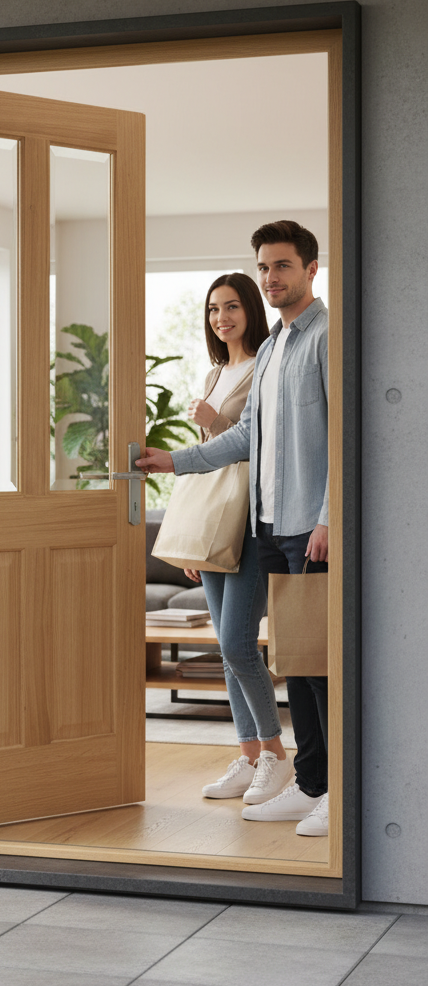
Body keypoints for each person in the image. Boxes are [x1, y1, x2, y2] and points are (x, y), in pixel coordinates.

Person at [137, 221, 329, 838]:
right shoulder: (274, 348)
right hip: (267, 524)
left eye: (283, 266)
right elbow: (248, 436)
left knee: (317, 662)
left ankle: (332, 789)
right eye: (265, 266)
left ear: (311, 269)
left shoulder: (327, 337)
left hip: (308, 527)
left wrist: (329, 516)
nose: (272, 277)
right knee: (294, 660)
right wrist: (174, 460)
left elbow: (346, 434)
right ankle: (310, 782)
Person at [182, 273, 294, 807]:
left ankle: (275, 753)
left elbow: (261, 444)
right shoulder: (215, 373)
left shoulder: (264, 365)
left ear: (250, 309)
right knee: (228, 652)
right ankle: (249, 756)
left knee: (237, 644)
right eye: (213, 309)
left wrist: (216, 419)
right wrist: (194, 539)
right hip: (215, 521)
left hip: (250, 521)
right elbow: (208, 463)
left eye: (230, 307)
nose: (221, 318)